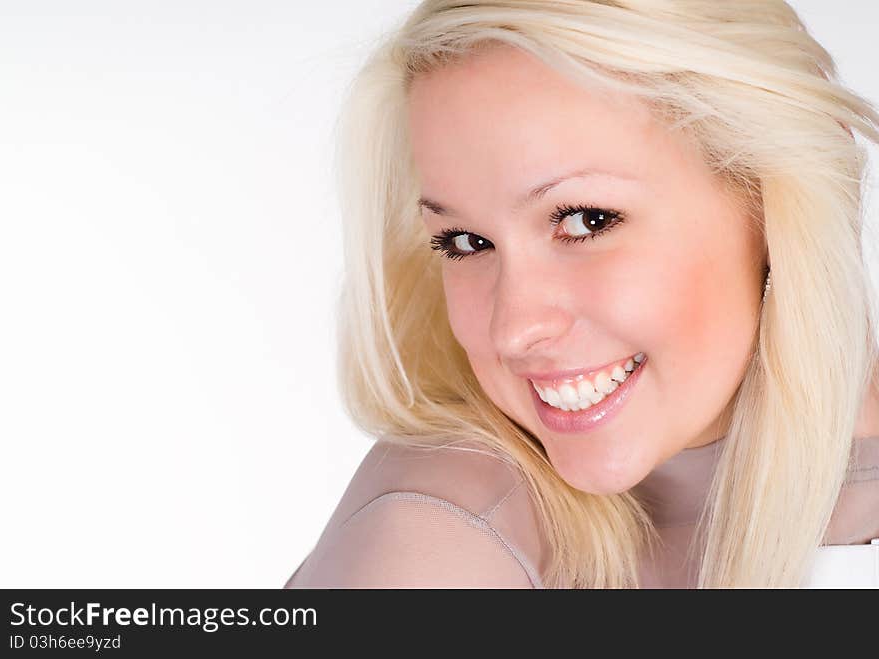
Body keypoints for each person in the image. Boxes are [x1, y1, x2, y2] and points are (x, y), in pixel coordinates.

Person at [286, 0, 879, 588]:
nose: (513, 329)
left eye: (587, 222)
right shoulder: (435, 536)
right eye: (466, 242)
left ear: (771, 200)